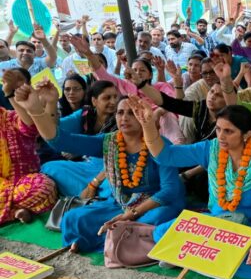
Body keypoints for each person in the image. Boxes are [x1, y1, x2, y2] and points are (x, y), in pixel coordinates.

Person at [18, 88, 185, 253]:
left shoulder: (159, 144)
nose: (124, 118)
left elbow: (169, 190)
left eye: (131, 113)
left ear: (143, 116)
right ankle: (109, 242)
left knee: (154, 220)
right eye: (120, 113)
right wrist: (36, 110)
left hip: (154, 204)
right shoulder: (108, 142)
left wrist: (131, 214)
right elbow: (61, 141)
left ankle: (108, 241)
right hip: (120, 203)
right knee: (73, 218)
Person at [128, 97, 251, 279]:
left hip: (250, 228)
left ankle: (194, 258)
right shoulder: (211, 149)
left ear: (246, 134)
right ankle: (210, 260)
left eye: (229, 131)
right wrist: (148, 125)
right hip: (215, 223)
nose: (221, 136)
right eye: (219, 129)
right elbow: (165, 156)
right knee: (161, 232)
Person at [40, 80, 118, 198]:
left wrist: (79, 150)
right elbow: (54, 128)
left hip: (108, 166)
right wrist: (51, 102)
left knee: (109, 188)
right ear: (94, 101)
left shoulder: (121, 117)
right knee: (49, 167)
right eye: (107, 98)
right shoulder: (85, 114)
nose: (113, 102)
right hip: (85, 166)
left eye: (115, 97)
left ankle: (90, 194)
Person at [0, 69, 57, 224]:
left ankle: (9, 209)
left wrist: (10, 94)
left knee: (44, 186)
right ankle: (16, 211)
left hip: (23, 183)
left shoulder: (10, 116)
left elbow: (30, 125)